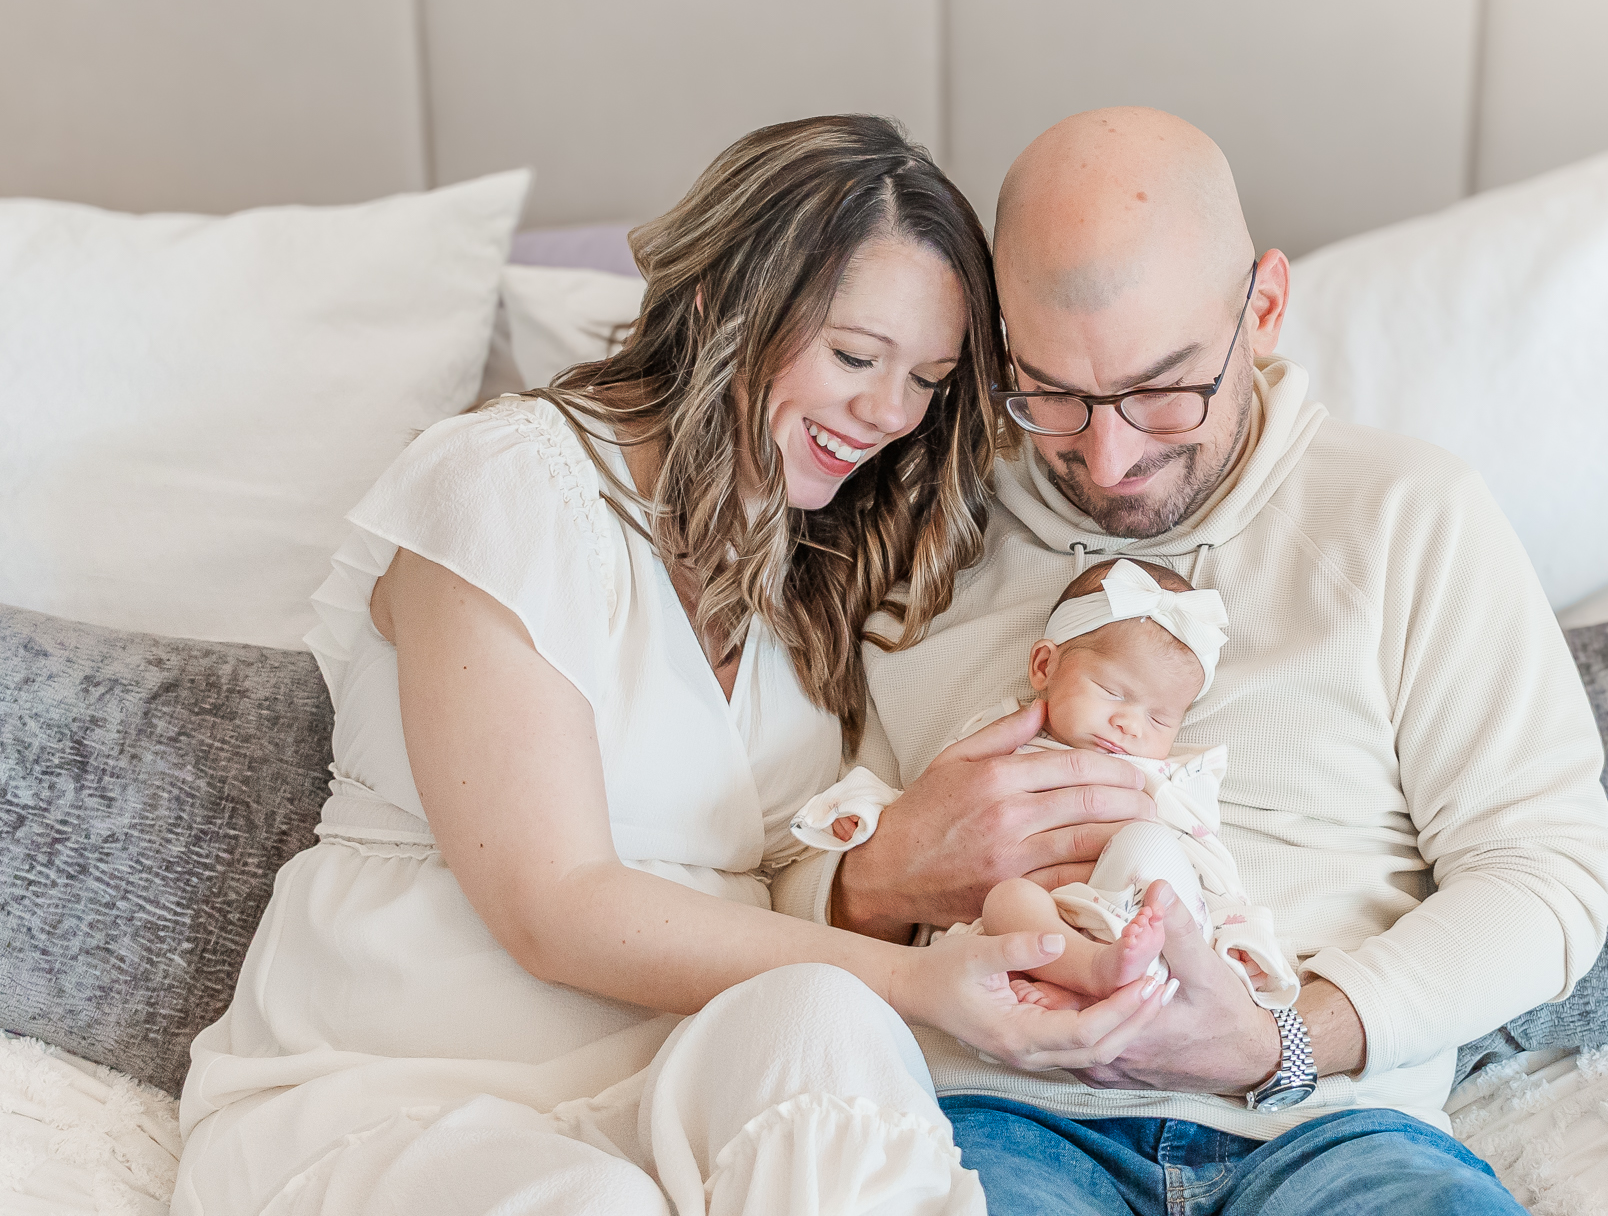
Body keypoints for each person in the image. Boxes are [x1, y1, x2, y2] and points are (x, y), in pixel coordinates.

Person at [171, 115, 1174, 1216]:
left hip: (675, 1102)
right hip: (401, 1092)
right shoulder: (506, 483)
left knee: (827, 1024)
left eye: (928, 380)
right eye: (852, 356)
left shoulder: (814, 566)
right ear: (718, 307)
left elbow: (798, 911)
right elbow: (551, 905)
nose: (890, 415)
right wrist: (917, 983)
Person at [769, 108, 1608, 1215]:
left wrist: (1281, 1041)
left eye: (1163, 388)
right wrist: (876, 879)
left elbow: (1546, 879)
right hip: (1001, 1120)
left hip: (1330, 1127)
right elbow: (763, 872)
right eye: (1053, 397)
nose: (1109, 457)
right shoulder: (910, 532)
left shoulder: (1409, 518)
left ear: (1260, 309)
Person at [791, 557, 1297, 1007]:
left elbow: (1206, 858)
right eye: (1111, 691)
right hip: (1038, 934)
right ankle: (1086, 977)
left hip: (1139, 922)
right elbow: (931, 809)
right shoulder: (998, 744)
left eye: (1160, 720)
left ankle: (1113, 970)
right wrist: (867, 817)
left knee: (1151, 847)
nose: (1131, 725)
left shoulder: (1167, 776)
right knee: (1006, 901)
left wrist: (1239, 926)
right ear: (1044, 666)